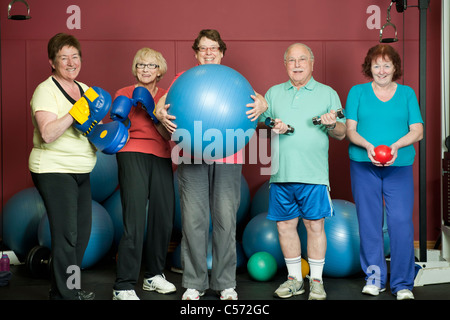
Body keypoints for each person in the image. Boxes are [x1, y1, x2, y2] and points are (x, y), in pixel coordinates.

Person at [155, 29, 267, 300]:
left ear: (221, 52)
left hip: (228, 156)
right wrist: (159, 110)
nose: (208, 52)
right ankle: (194, 283)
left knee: (225, 220)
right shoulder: (183, 79)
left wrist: (264, 104)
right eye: (203, 48)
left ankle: (225, 283)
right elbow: (162, 105)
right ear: (196, 53)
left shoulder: (235, 81)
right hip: (190, 156)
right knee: (194, 221)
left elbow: (260, 103)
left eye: (213, 47)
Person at [259, 43, 346, 300]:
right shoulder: (273, 94)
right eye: (292, 60)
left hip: (314, 175)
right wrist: (272, 125)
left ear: (312, 63)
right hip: (281, 174)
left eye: (302, 60)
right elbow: (260, 123)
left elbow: (342, 134)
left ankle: (316, 282)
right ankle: (295, 280)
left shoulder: (328, 93)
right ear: (285, 64)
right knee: (285, 226)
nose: (297, 65)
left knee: (314, 225)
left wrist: (331, 125)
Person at [345, 44, 423, 300]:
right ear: (370, 67)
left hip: (398, 167)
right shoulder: (357, 92)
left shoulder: (407, 94)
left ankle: (402, 284)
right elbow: (350, 130)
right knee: (369, 223)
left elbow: (417, 130)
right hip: (363, 164)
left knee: (400, 223)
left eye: (386, 65)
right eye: (376, 65)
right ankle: (374, 278)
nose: (381, 70)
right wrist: (368, 146)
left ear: (395, 68)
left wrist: (395, 147)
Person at [29, 33, 96, 300]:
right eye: (63, 57)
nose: (71, 62)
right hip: (53, 169)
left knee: (81, 235)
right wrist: (73, 113)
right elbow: (47, 133)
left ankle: (69, 288)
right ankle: (67, 296)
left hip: (82, 169)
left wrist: (112, 129)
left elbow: (91, 129)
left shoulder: (86, 89)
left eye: (75, 56)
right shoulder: (45, 90)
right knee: (67, 234)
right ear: (52, 62)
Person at [112, 48, 176, 300]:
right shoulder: (124, 93)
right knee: (135, 218)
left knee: (163, 216)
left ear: (160, 70)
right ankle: (124, 285)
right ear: (135, 69)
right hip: (131, 153)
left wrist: (153, 112)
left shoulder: (167, 97)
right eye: (140, 65)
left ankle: (154, 275)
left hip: (160, 155)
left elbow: (169, 135)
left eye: (151, 65)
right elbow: (119, 126)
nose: (145, 69)